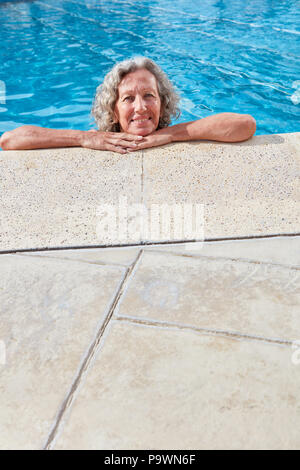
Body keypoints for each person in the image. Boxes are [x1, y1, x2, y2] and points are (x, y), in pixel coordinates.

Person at [0, 56, 256, 152]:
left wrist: (170, 136)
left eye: (149, 96)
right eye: (128, 98)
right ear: (113, 108)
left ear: (162, 102)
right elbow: (9, 139)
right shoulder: (96, 138)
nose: (141, 108)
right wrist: (82, 139)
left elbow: (245, 124)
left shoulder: (172, 134)